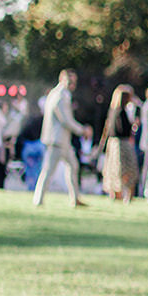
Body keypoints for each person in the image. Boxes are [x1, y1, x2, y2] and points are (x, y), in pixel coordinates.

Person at [34, 70, 91, 208]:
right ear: (62, 79)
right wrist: (82, 130)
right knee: (49, 170)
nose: (72, 84)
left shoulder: (58, 94)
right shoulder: (60, 95)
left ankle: (75, 198)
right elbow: (66, 120)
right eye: (70, 81)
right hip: (57, 140)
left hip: (61, 140)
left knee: (72, 166)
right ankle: (39, 199)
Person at [98, 84, 139, 201]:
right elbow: (125, 129)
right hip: (123, 143)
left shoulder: (113, 110)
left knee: (114, 170)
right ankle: (125, 195)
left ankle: (116, 194)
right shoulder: (124, 111)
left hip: (113, 144)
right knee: (125, 169)